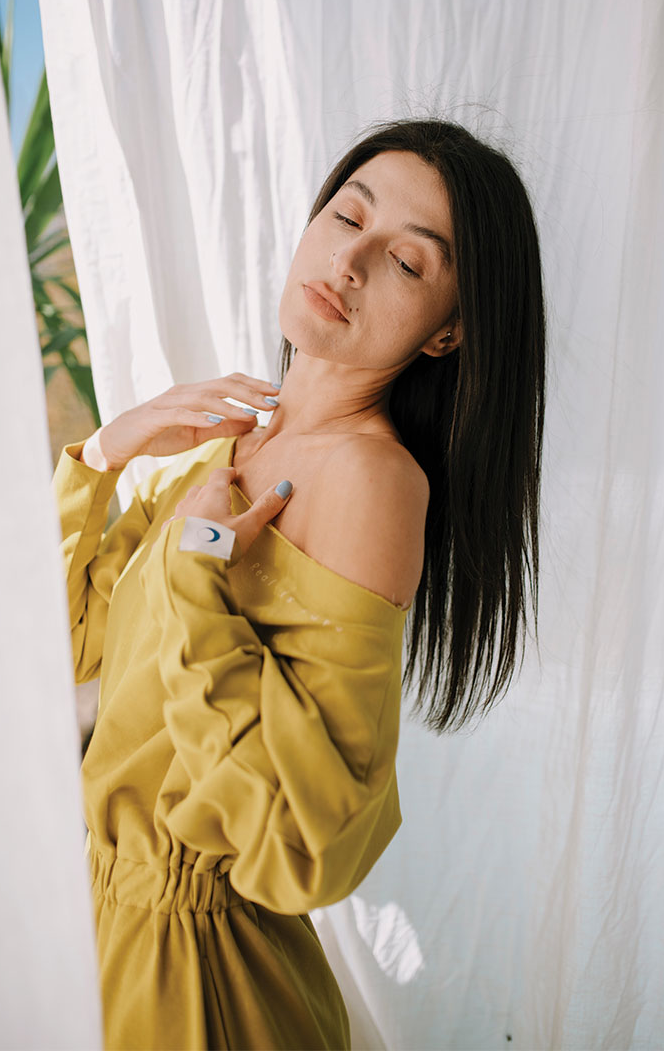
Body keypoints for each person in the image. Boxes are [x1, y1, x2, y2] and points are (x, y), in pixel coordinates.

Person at [53, 117, 546, 1050]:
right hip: (93, 937)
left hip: (191, 984)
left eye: (406, 261)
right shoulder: (229, 443)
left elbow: (307, 844)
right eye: (347, 216)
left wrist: (195, 575)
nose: (349, 262)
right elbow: (62, 651)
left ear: (448, 332)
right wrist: (106, 454)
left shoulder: (370, 479)